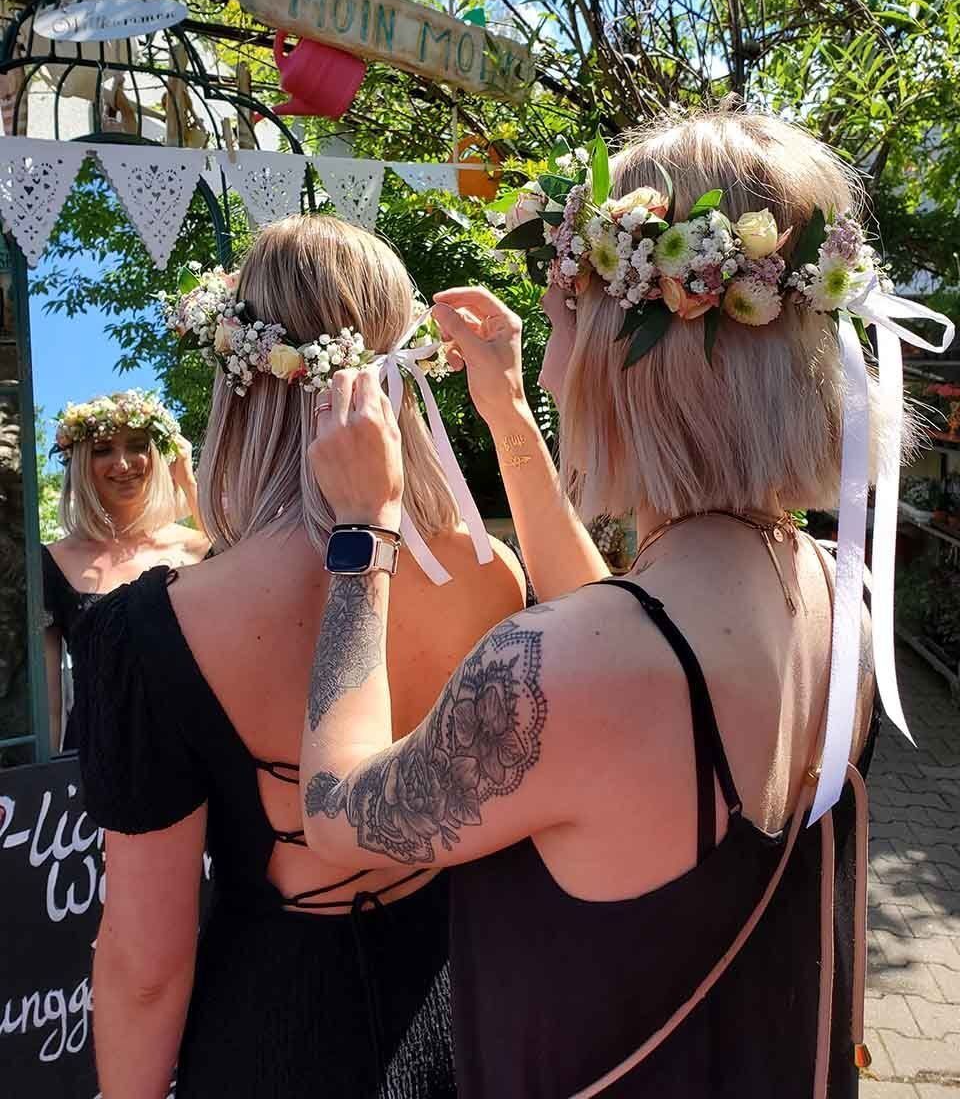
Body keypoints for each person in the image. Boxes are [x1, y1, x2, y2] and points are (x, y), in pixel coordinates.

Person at [297, 107, 950, 1098]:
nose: (555, 366)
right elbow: (629, 630)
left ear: (634, 354)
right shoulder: (839, 588)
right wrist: (509, 415)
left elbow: (341, 815)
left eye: (565, 328)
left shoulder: (575, 669)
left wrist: (362, 537)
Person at [71, 217, 526, 1099]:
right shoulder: (490, 574)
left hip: (274, 1031)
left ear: (242, 378)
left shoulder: (151, 629)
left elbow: (145, 964)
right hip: (468, 1004)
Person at [43, 389, 207, 750]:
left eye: (137, 445)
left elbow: (244, 583)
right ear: (81, 462)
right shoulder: (51, 561)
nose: (122, 463)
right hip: (98, 763)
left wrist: (189, 480)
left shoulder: (197, 547)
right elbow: (50, 707)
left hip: (199, 756)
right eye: (103, 449)